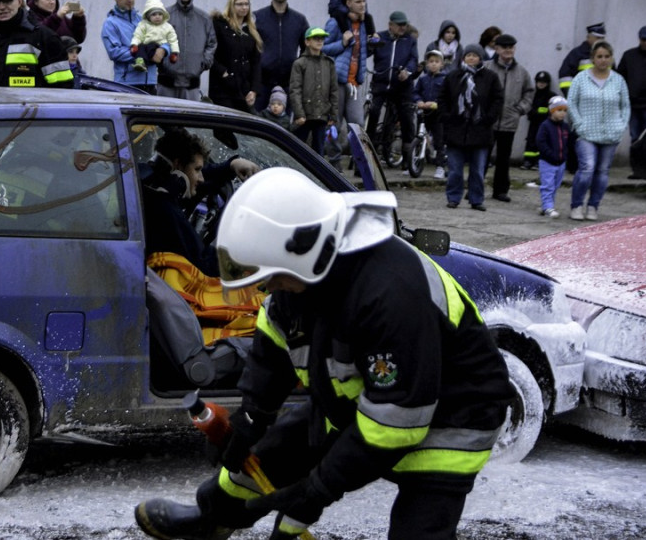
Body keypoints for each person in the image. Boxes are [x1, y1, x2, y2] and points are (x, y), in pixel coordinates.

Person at [135, 167, 511, 540]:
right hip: (366, 402)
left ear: (304, 252)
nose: (267, 287)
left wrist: (315, 491)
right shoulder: (304, 271)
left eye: (271, 276)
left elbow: (394, 424)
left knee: (419, 531)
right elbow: (274, 338)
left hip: (452, 416)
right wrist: (252, 415)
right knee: (265, 455)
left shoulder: (391, 293)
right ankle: (213, 517)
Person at [140, 127, 258, 277]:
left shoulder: (148, 183)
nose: (201, 178)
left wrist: (231, 165)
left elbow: (199, 177)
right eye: (197, 169)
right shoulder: (165, 209)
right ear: (178, 165)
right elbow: (203, 262)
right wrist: (247, 260)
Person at [567, 40, 630, 221]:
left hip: (611, 134)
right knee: (587, 168)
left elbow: (625, 106)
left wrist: (621, 125)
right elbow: (572, 103)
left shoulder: (618, 80)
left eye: (607, 56)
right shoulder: (581, 78)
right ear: (593, 58)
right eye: (599, 56)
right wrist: (579, 124)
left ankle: (593, 206)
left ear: (611, 58)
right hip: (586, 133)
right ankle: (576, 205)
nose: (603, 60)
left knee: (602, 172)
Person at [439, 44, 504, 211]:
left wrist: (489, 118)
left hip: (480, 131)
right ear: (463, 58)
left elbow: (497, 100)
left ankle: (476, 199)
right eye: (468, 55)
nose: (471, 58)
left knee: (477, 170)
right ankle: (453, 198)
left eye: (475, 55)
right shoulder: (453, 76)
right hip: (456, 130)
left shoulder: (490, 77)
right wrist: (447, 116)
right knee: (455, 170)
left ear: (480, 58)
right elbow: (443, 98)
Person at [0, 0, 74, 88]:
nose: (1, 7)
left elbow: (63, 89)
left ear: (19, 1)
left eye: (7, 1)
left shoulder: (44, 37)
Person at [321, 0, 370, 156]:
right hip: (337, 81)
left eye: (364, 1)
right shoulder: (336, 22)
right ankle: (334, 163)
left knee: (357, 125)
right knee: (333, 124)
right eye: (358, 2)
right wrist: (342, 43)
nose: (362, 5)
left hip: (354, 83)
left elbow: (361, 52)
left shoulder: (364, 25)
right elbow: (322, 48)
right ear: (348, 3)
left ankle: (360, 163)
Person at [485, 33, 534, 202]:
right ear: (496, 49)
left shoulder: (522, 72)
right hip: (488, 122)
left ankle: (500, 191)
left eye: (511, 47)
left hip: (509, 122)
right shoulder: (487, 68)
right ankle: (475, 189)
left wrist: (520, 109)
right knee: (482, 157)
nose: (508, 50)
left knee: (503, 159)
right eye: (504, 47)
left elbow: (529, 93)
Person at [367, 10, 418, 169]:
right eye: (399, 25)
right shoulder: (381, 37)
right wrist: (370, 42)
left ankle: (407, 156)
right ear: (390, 25)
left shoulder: (409, 40)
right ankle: (368, 151)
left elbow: (414, 59)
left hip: (401, 86)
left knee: (406, 116)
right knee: (373, 112)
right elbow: (367, 52)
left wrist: (407, 72)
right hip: (381, 84)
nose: (402, 28)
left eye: (404, 25)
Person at [253, 0, 309, 111]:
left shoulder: (299, 20)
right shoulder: (258, 17)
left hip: (288, 84)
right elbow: (249, 47)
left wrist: (298, 69)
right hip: (262, 83)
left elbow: (307, 48)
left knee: (285, 122)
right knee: (258, 120)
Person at [158, 0, 216, 101]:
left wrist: (203, 63)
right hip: (166, 86)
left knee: (189, 115)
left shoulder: (204, 19)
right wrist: (162, 63)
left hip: (191, 88)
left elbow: (212, 44)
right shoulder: (163, 17)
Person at [558, 22, 606, 171]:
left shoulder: (605, 56)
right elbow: (565, 76)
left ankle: (591, 166)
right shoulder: (577, 54)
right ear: (588, 37)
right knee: (577, 134)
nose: (600, 41)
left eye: (602, 38)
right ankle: (574, 165)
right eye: (597, 37)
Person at [102, 0, 166, 91]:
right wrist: (143, 54)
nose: (130, 0)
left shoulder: (142, 18)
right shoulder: (110, 23)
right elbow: (114, 52)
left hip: (150, 82)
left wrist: (163, 50)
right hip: (127, 84)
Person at [288, 26, 339, 158]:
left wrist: (333, 115)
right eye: (316, 38)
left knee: (319, 152)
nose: (320, 41)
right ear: (307, 42)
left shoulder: (329, 63)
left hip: (322, 115)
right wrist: (299, 114)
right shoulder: (300, 63)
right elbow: (295, 90)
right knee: (297, 150)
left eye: (322, 38)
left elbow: (334, 90)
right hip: (304, 115)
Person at [208, 0, 263, 113]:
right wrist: (223, 72)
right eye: (240, 4)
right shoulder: (220, 25)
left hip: (243, 89)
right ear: (232, 6)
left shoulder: (251, 30)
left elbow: (256, 62)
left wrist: (254, 90)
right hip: (222, 88)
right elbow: (209, 53)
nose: (244, 7)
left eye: (246, 4)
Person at [412, 48, 448, 179]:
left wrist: (436, 103)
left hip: (437, 114)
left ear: (441, 64)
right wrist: (419, 101)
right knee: (419, 136)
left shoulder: (444, 79)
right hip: (424, 113)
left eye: (436, 62)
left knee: (439, 140)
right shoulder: (423, 79)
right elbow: (415, 92)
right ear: (427, 64)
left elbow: (447, 95)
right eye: (431, 61)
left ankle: (440, 167)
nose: (433, 64)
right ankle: (414, 163)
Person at [535, 96, 571, 219]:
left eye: (565, 110)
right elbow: (540, 142)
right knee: (547, 185)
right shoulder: (545, 126)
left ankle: (546, 205)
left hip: (560, 163)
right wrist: (550, 154)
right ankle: (548, 207)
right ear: (552, 111)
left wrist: (565, 156)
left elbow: (568, 143)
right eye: (559, 110)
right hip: (547, 162)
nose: (562, 113)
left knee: (555, 186)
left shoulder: (565, 127)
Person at [131, 0, 180, 72]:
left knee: (151, 46)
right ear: (148, 16)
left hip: (158, 46)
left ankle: (146, 62)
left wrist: (174, 52)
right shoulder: (143, 25)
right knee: (140, 47)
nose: (157, 17)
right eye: (154, 14)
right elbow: (138, 35)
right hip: (145, 46)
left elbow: (173, 40)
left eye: (160, 14)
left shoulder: (167, 27)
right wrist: (134, 44)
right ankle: (140, 62)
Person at [521, 71, 557, 170]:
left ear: (548, 83)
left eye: (544, 82)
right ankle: (528, 160)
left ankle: (539, 161)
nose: (541, 84)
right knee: (531, 140)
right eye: (539, 81)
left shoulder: (551, 96)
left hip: (546, 124)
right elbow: (528, 107)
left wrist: (540, 112)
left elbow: (553, 110)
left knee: (543, 141)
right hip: (533, 122)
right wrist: (534, 112)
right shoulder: (532, 95)